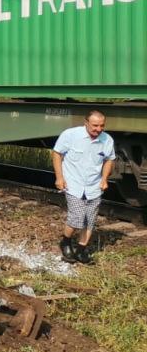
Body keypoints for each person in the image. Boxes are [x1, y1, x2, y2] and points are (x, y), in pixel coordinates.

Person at [52, 110, 116, 264]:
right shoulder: (70, 135)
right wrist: (59, 177)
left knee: (90, 221)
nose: (98, 129)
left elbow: (109, 160)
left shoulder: (107, 140)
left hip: (94, 186)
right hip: (73, 184)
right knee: (77, 218)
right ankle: (66, 242)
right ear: (86, 123)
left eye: (102, 126)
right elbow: (57, 154)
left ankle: (81, 250)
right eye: (95, 125)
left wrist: (104, 179)